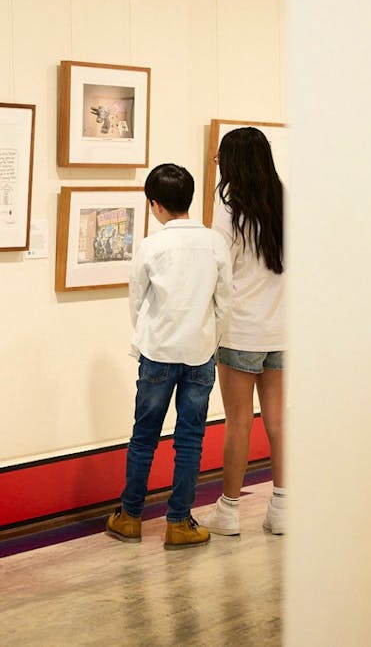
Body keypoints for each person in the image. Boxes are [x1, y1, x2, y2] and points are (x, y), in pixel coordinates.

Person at [106, 163, 232, 549]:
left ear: (155, 205)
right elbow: (224, 302)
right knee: (190, 439)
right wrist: (212, 341)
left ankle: (129, 517)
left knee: (144, 437)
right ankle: (179, 522)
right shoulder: (214, 243)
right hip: (199, 354)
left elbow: (137, 302)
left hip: (158, 352)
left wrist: (147, 337)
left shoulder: (151, 245)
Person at [199, 127, 286, 537]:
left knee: (237, 422)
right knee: (278, 421)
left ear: (232, 162)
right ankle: (283, 509)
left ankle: (229, 512)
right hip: (283, 328)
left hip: (241, 331)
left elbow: (219, 268)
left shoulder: (228, 204)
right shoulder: (287, 200)